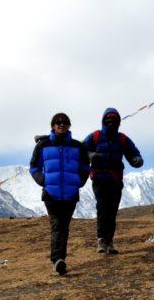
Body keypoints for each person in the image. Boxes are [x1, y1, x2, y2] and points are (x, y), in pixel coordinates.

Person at [29, 112, 90, 276]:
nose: (61, 124)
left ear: (69, 125)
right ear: (53, 126)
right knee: (57, 226)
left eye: (64, 122)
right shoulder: (43, 146)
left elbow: (85, 167)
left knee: (64, 226)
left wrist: (80, 181)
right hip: (51, 193)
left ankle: (59, 258)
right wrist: (43, 180)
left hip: (70, 193)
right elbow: (34, 167)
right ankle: (57, 260)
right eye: (58, 122)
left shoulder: (78, 147)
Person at [82, 108, 143, 254]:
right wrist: (91, 156)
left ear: (118, 122)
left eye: (114, 121)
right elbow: (81, 151)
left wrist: (137, 160)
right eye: (108, 120)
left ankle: (109, 241)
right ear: (103, 121)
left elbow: (133, 153)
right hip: (99, 179)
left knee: (112, 211)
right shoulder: (95, 136)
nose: (110, 123)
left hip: (115, 180)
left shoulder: (122, 139)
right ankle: (102, 240)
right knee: (103, 208)